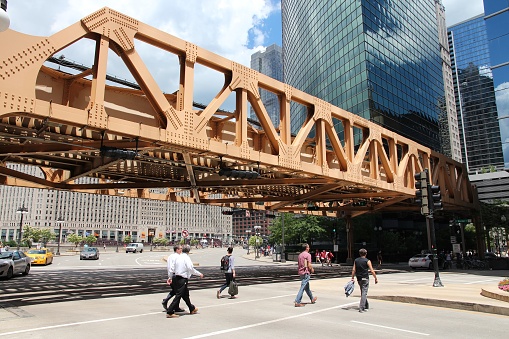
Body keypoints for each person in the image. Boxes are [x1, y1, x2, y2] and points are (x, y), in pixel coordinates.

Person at [166, 244, 203, 318]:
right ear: (189, 251)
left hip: (176, 277)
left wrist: (170, 277)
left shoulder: (178, 257)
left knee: (185, 294)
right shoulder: (186, 258)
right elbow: (190, 268)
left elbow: (171, 268)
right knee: (179, 294)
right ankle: (170, 311)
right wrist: (199, 274)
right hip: (182, 278)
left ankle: (191, 308)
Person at [351, 248, 378, 313]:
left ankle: (366, 305)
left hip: (359, 278)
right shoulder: (367, 261)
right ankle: (361, 307)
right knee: (364, 292)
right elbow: (372, 270)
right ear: (366, 254)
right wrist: (375, 278)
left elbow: (354, 270)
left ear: (360, 254)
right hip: (365, 278)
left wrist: (352, 277)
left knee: (363, 291)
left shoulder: (356, 260)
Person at [162, 245, 185, 312]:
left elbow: (168, 267)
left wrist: (169, 276)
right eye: (180, 249)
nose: (181, 250)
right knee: (179, 291)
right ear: (177, 249)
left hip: (172, 275)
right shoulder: (177, 257)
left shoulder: (170, 256)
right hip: (176, 275)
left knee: (176, 291)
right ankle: (166, 301)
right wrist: (171, 277)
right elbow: (172, 267)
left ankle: (176, 306)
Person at [294, 243, 317, 307]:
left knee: (306, 287)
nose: (309, 248)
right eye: (308, 247)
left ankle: (312, 299)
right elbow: (309, 265)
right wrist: (312, 269)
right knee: (303, 287)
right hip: (306, 272)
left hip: (301, 272)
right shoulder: (308, 255)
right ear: (306, 248)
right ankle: (297, 301)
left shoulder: (300, 255)